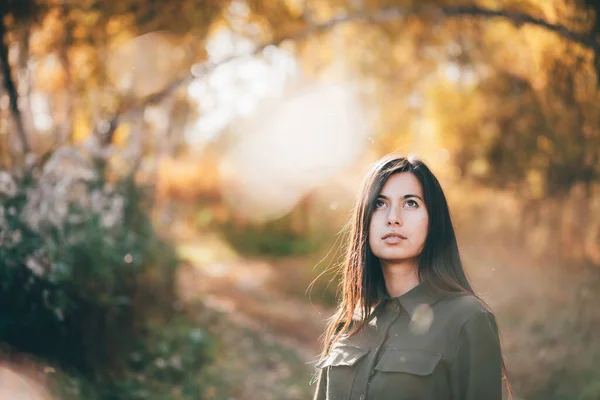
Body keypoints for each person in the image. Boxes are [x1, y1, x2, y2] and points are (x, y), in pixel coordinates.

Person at [312, 154, 510, 400]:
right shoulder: (348, 323)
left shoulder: (467, 320)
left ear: (433, 221)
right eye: (379, 204)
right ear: (365, 220)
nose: (393, 218)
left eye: (411, 203)